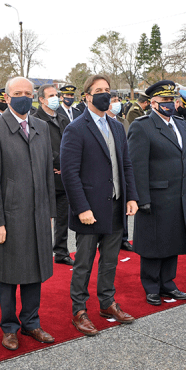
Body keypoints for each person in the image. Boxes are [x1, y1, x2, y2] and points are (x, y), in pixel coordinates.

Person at [0, 76, 56, 351]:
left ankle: (31, 322)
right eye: (18, 93)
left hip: (38, 213)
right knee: (10, 274)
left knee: (35, 269)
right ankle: (9, 328)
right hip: (10, 216)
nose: (24, 96)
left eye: (28, 92)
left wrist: (49, 212)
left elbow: (48, 173)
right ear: (7, 97)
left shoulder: (41, 127)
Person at [60, 74, 139, 336]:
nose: (106, 94)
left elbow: (126, 164)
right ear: (87, 96)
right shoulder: (76, 128)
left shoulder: (117, 126)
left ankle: (107, 303)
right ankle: (79, 310)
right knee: (84, 262)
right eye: (99, 90)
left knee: (110, 261)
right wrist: (81, 208)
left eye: (108, 89)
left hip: (116, 205)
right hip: (89, 211)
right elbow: (69, 173)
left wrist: (131, 196)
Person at [128, 80, 186, 305]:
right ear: (153, 103)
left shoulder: (181, 124)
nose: (170, 104)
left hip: (178, 193)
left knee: (174, 239)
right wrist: (141, 198)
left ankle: (168, 283)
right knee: (154, 242)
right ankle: (151, 286)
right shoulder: (142, 126)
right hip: (155, 196)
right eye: (165, 101)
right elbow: (137, 165)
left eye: (171, 100)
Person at [34, 84, 73, 265]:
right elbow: (39, 148)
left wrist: (66, 166)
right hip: (45, 176)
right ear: (41, 99)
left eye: (56, 95)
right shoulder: (35, 120)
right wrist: (57, 163)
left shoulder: (63, 119)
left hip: (62, 177)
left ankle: (61, 252)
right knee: (43, 219)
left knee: (62, 218)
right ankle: (41, 255)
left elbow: (71, 145)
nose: (56, 98)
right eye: (51, 95)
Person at [107, 91, 133, 252]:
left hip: (123, 168)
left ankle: (124, 238)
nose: (118, 103)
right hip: (108, 171)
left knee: (123, 207)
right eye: (114, 100)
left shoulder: (123, 122)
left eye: (118, 100)